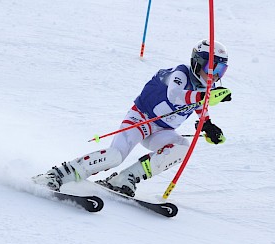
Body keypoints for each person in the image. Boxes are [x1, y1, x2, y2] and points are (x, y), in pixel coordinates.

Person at [33, 39, 232, 197]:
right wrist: (204, 96)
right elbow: (175, 95)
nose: (214, 75)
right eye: (211, 68)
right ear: (197, 62)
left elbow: (199, 105)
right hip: (141, 120)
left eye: (220, 71)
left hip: (162, 131)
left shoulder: (206, 86)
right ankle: (56, 175)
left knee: (180, 148)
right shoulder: (180, 73)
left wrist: (207, 125)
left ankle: (125, 179)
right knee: (115, 156)